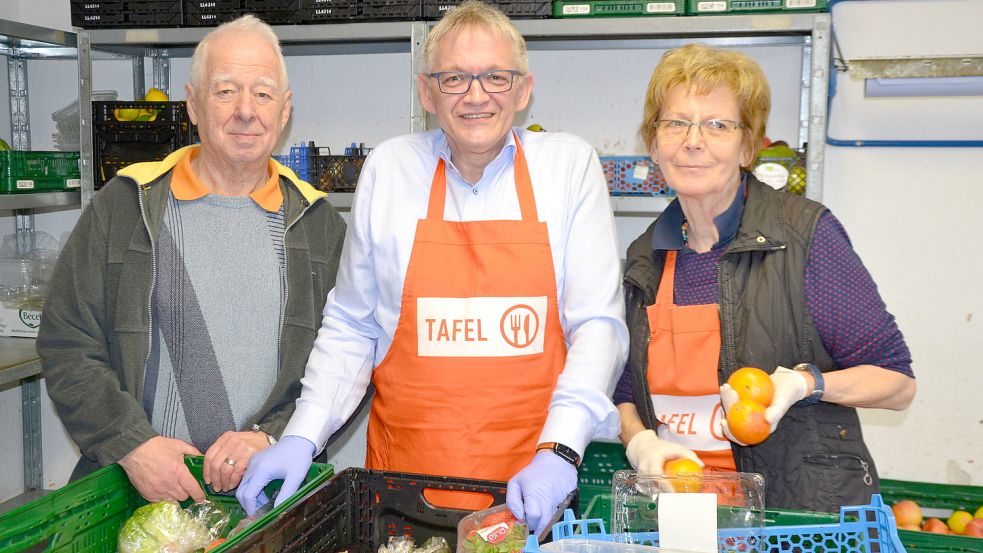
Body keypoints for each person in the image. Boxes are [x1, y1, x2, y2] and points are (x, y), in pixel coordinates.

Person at [238, 0, 628, 533]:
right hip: (403, 494)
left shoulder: (567, 168)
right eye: (454, 78)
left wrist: (561, 450)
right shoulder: (392, 171)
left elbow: (598, 328)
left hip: (529, 494)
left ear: (523, 89)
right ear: (426, 92)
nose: (475, 95)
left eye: (495, 77)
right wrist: (303, 434)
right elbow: (353, 325)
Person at [37, 14, 346, 504]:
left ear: (285, 110)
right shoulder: (126, 204)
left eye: (263, 93)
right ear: (193, 104)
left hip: (263, 496)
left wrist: (272, 437)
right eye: (225, 91)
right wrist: (132, 445)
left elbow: (346, 363)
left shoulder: (319, 224)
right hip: (134, 490)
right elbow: (67, 341)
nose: (246, 110)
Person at [614, 43, 916, 512]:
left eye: (717, 125)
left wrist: (807, 384)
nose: (693, 141)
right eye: (675, 123)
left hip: (793, 521)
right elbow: (625, 395)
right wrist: (640, 444)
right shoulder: (644, 258)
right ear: (654, 143)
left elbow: (897, 383)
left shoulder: (803, 237)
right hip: (681, 517)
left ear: (748, 146)